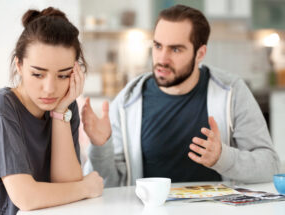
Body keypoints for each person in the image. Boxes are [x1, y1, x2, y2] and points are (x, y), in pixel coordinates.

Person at [81, 5, 280, 187]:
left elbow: (270, 166)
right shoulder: (127, 101)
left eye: (175, 49)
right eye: (158, 46)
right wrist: (100, 148)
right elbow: (108, 185)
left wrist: (222, 157)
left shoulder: (232, 91)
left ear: (200, 53)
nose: (162, 59)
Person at [0, 7, 103, 215]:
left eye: (63, 75)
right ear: (19, 65)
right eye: (38, 74)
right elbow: (27, 198)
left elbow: (67, 185)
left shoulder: (65, 106)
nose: (50, 88)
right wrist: (86, 187)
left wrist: (60, 113)